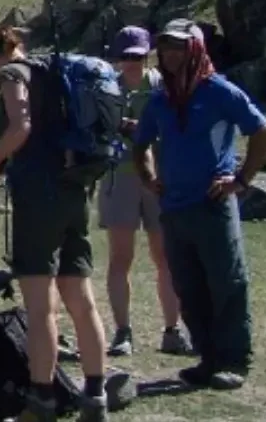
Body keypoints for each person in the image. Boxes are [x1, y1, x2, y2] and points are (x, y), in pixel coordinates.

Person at [0, 26, 109, 422]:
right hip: (73, 190)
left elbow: (21, 126)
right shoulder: (54, 72)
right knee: (81, 299)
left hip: (38, 197)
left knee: (40, 307)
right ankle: (96, 396)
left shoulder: (13, 74)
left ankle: (42, 400)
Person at [132, 19, 266, 391]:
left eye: (178, 47)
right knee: (188, 286)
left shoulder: (218, 91)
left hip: (212, 204)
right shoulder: (160, 100)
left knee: (227, 282)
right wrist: (148, 178)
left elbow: (261, 132)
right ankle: (208, 358)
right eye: (165, 48)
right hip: (174, 208)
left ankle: (234, 360)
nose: (171, 55)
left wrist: (240, 181)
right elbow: (140, 141)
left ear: (195, 48)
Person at [98, 26, 191, 357]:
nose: (132, 63)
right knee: (120, 258)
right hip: (119, 180)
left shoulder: (161, 87)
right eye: (126, 57)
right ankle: (123, 332)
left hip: (158, 179)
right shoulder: (106, 89)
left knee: (164, 257)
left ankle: (172, 329)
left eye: (138, 56)